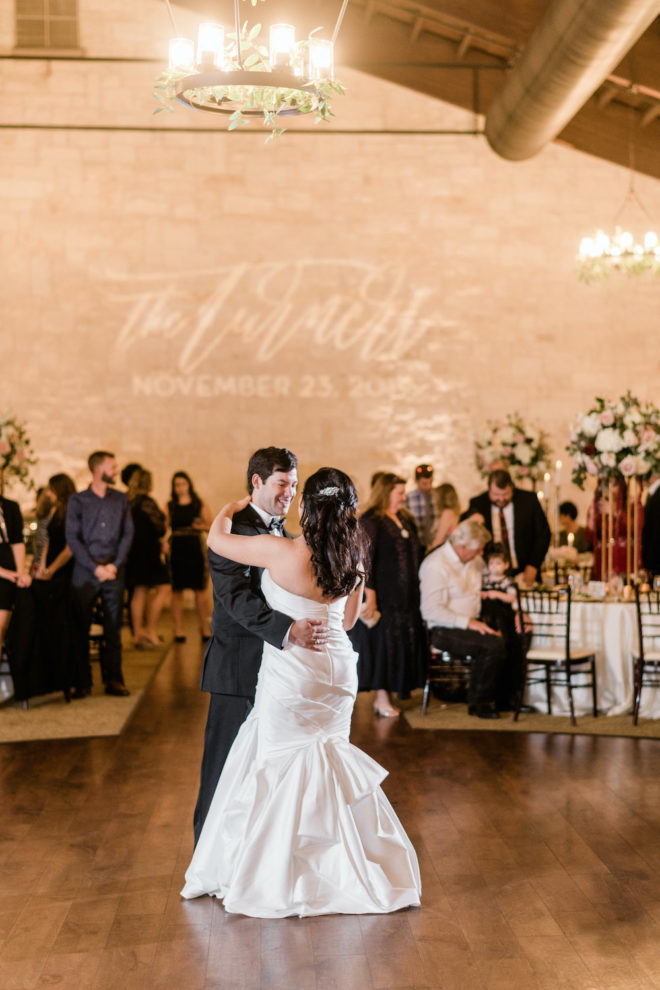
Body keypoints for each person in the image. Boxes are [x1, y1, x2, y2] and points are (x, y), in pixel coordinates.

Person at [182, 467, 422, 917]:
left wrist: (230, 508)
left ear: (308, 506)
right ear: (349, 510)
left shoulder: (281, 551)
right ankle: (338, 868)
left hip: (293, 674)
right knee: (326, 762)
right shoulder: (355, 556)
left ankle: (276, 874)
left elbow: (216, 540)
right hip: (336, 673)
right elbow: (349, 622)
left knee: (277, 765)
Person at [193, 447, 329, 847]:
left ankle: (244, 854)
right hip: (236, 667)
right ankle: (206, 854)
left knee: (255, 768)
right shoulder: (233, 528)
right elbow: (236, 598)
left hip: (273, 670)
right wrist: (288, 631)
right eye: (282, 483)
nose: (290, 492)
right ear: (257, 481)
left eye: (294, 484)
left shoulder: (282, 533)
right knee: (222, 767)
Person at [350, 472, 426, 717]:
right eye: (399, 493)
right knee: (384, 644)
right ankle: (381, 697)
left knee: (403, 640)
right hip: (383, 593)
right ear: (385, 493)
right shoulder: (372, 520)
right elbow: (365, 559)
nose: (404, 497)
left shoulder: (405, 518)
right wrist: (369, 594)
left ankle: (397, 689)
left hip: (406, 595)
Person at [419, 519, 505, 719]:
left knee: (508, 634)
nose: (481, 553)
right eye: (479, 549)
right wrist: (470, 623)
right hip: (444, 629)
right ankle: (479, 702)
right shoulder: (436, 564)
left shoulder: (474, 561)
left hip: (473, 622)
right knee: (492, 645)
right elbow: (431, 611)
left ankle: (506, 698)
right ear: (463, 546)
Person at [65, 451, 134, 697]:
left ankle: (114, 680)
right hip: (85, 571)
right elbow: (72, 538)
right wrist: (95, 567)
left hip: (114, 570)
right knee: (80, 627)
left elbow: (128, 534)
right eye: (112, 467)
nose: (116, 471)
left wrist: (114, 565)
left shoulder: (121, 499)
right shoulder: (78, 501)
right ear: (98, 469)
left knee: (113, 628)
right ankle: (82, 682)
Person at [462, 468, 551, 586]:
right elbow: (463, 527)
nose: (501, 499)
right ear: (489, 489)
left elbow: (544, 534)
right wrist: (472, 518)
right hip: (491, 572)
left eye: (505, 494)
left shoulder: (528, 500)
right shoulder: (478, 503)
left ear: (512, 488)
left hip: (525, 569)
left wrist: (534, 565)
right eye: (496, 494)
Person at [165, 471, 212, 643]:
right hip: (177, 548)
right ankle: (178, 628)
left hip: (194, 547)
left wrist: (201, 526)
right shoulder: (170, 505)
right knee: (176, 591)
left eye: (183, 484)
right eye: (177, 485)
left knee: (200, 590)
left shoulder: (198, 504)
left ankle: (205, 627)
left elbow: (210, 525)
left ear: (189, 485)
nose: (180, 488)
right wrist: (163, 543)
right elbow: (164, 528)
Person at [126, 469, 170, 648]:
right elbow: (160, 527)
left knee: (139, 592)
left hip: (132, 552)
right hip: (149, 552)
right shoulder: (148, 503)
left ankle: (137, 634)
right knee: (164, 587)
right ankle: (150, 631)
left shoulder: (128, 502)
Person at [479, 542, 526, 711]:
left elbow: (513, 598)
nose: (494, 567)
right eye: (491, 563)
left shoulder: (508, 582)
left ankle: (509, 695)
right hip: (487, 620)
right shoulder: (483, 580)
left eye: (498, 563)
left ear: (506, 565)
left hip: (504, 620)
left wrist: (494, 594)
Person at [0, 493, 31, 662]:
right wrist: (5, 573)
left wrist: (19, 573)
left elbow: (17, 541)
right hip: (4, 573)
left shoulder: (10, 507)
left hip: (7, 577)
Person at [404, 463, 436, 553]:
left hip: (436, 544)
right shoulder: (408, 498)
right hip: (417, 546)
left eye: (430, 482)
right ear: (416, 481)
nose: (428, 486)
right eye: (424, 483)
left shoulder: (437, 496)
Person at [428, 482, 461, 551]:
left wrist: (428, 553)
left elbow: (439, 540)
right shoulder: (454, 512)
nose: (433, 501)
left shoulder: (448, 513)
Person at [642, 474, 660, 583]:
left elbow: (655, 532)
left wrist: (649, 562)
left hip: (656, 556)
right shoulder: (654, 493)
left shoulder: (657, 495)